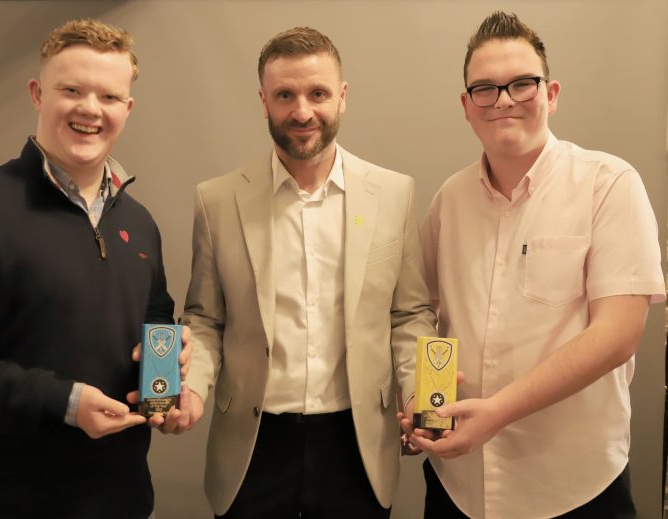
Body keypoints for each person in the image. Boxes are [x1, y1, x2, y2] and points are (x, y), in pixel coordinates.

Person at [0, 18, 192, 519]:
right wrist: (63, 402)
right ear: (38, 93)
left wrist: (168, 383)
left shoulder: (139, 223)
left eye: (108, 96)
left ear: (127, 107)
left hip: (123, 502)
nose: (89, 110)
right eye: (72, 90)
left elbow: (156, 323)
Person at [401, 11, 666, 519]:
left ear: (551, 94)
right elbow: (422, 316)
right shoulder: (449, 201)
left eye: (522, 84)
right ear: (466, 106)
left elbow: (619, 333)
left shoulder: (609, 184)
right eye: (485, 88)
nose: (503, 100)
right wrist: (422, 404)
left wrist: (497, 413)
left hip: (574, 486)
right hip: (459, 485)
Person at [179, 26, 437, 518]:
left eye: (318, 93)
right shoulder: (216, 200)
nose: (302, 112)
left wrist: (424, 397)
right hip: (253, 447)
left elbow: (408, 316)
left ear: (342, 97)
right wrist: (191, 388)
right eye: (285, 95)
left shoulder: (394, 193)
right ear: (263, 101)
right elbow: (205, 320)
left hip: (357, 443)